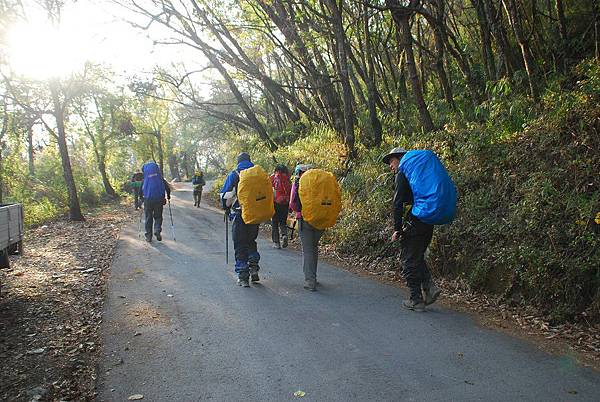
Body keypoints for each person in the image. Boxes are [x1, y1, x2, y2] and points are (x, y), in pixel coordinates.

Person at [382, 147, 454, 312]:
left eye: (391, 162)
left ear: (399, 158)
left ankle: (416, 300)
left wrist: (397, 229)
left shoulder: (403, 173)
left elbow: (397, 203)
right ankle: (430, 288)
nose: (390, 166)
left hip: (416, 221)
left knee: (408, 260)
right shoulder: (418, 175)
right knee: (417, 257)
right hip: (428, 220)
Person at [220, 152, 260, 287]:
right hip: (255, 214)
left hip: (239, 214)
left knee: (240, 243)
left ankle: (243, 276)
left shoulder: (235, 174)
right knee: (251, 241)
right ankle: (254, 267)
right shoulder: (258, 173)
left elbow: (226, 196)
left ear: (238, 162)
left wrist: (225, 208)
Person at [289, 163, 321, 291]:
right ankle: (314, 277)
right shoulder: (319, 181)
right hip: (320, 219)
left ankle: (310, 281)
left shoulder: (298, 182)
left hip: (305, 219)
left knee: (308, 250)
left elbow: (293, 204)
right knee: (314, 247)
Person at [139, 161, 171, 242]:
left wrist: (141, 199)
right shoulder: (160, 178)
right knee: (158, 216)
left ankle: (148, 236)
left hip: (148, 200)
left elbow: (140, 191)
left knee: (148, 217)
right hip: (159, 199)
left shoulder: (145, 180)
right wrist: (168, 196)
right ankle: (157, 229)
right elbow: (167, 188)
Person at [270, 164, 291, 249]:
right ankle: (284, 235)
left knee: (274, 222)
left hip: (275, 203)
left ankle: (276, 242)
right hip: (285, 203)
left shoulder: (273, 177)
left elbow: (267, 187)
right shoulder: (288, 178)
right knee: (283, 222)